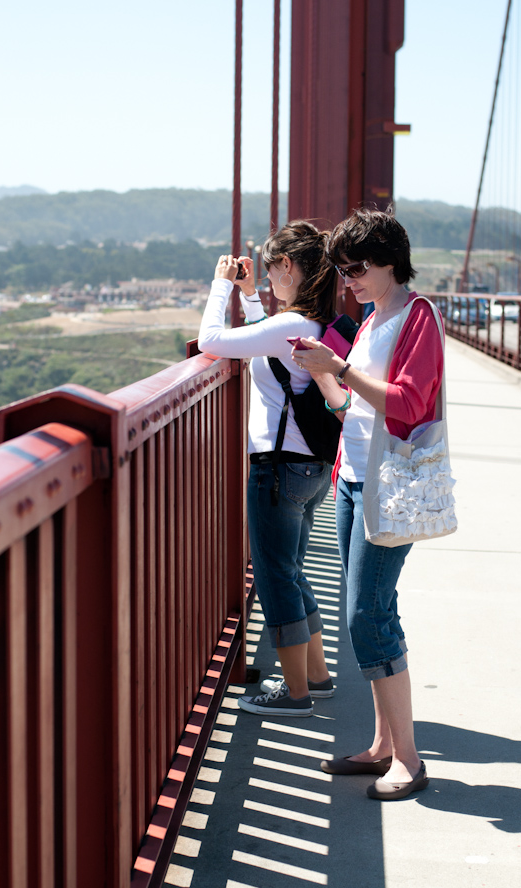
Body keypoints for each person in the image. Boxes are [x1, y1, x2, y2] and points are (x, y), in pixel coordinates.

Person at [292, 208, 442, 799]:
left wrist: (342, 368)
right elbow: (350, 408)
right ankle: (382, 744)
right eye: (340, 269)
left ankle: (408, 757)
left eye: (355, 268)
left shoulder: (416, 317)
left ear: (388, 260)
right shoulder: (371, 319)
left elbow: (407, 403)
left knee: (368, 616)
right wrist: (324, 373)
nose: (346, 279)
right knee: (368, 611)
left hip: (387, 483)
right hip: (352, 479)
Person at [198, 221, 342, 717]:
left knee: (276, 575)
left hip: (277, 471)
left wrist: (221, 284)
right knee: (292, 570)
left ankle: (296, 693)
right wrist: (252, 297)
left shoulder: (289, 328)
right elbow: (271, 342)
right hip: (309, 469)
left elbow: (210, 340)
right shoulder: (311, 324)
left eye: (269, 269)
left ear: (285, 267)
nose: (267, 276)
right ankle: (318, 678)